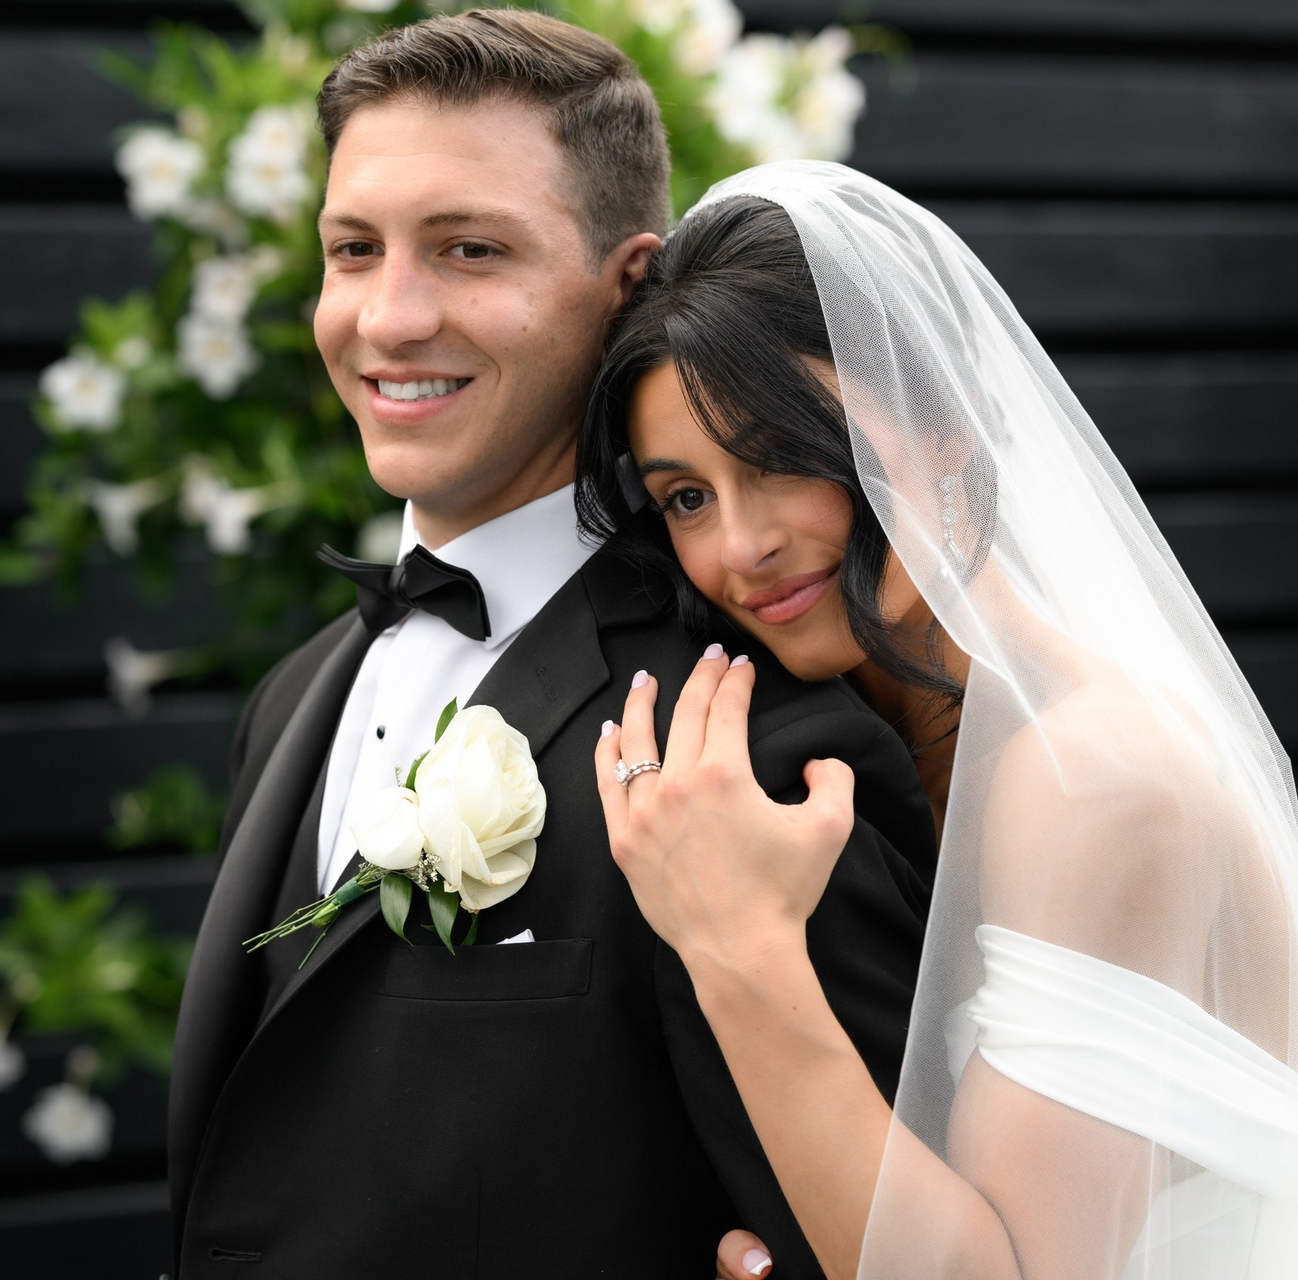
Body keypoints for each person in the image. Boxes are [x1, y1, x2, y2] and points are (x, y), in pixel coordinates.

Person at [168, 14, 938, 1278]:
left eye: (469, 249)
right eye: (353, 250)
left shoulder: (764, 750)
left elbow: (882, 1238)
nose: (388, 317)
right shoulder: (294, 694)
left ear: (627, 285)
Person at [582, 162, 1298, 1280]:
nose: (741, 546)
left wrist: (735, 942)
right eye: (687, 497)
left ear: (945, 430)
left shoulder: (1096, 777)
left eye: (782, 457)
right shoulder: (843, 747)